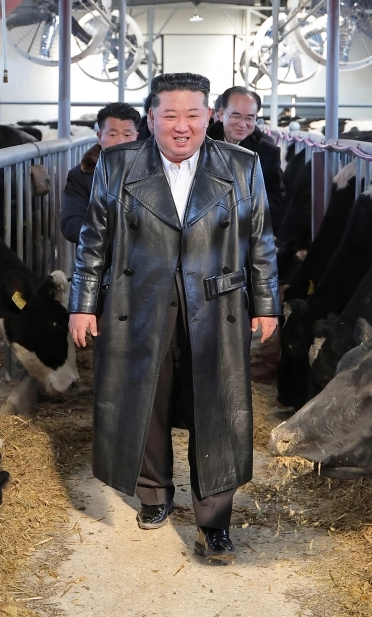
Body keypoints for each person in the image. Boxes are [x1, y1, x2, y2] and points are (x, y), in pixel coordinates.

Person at [68, 72, 279, 565]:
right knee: (145, 398)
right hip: (139, 299)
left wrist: (267, 304)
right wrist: (81, 303)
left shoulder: (242, 165)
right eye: (170, 116)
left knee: (218, 407)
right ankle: (154, 496)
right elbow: (93, 239)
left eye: (192, 115)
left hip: (217, 303)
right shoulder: (118, 165)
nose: (181, 127)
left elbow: (261, 240)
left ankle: (214, 523)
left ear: (209, 116)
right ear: (151, 119)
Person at [61, 102, 140, 244]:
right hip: (100, 258)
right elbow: (70, 225)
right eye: (113, 134)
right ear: (99, 136)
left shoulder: (153, 170)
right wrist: (116, 233)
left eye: (127, 134)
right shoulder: (80, 175)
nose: (121, 141)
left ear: (136, 137)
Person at [208, 86, 285, 231]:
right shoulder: (199, 146)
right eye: (236, 116)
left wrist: (248, 212)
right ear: (221, 114)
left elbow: (276, 197)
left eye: (250, 118)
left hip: (246, 231)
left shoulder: (268, 153)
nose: (242, 124)